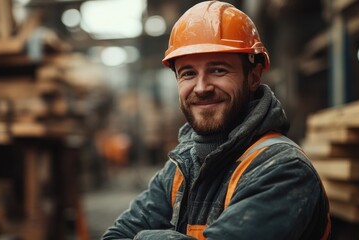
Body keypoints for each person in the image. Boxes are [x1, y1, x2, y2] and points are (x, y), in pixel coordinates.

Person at [102, 1, 331, 239]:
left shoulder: (283, 169)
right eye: (188, 73)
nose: (201, 88)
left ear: (253, 77)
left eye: (218, 70)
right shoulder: (181, 168)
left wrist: (144, 238)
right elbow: (115, 236)